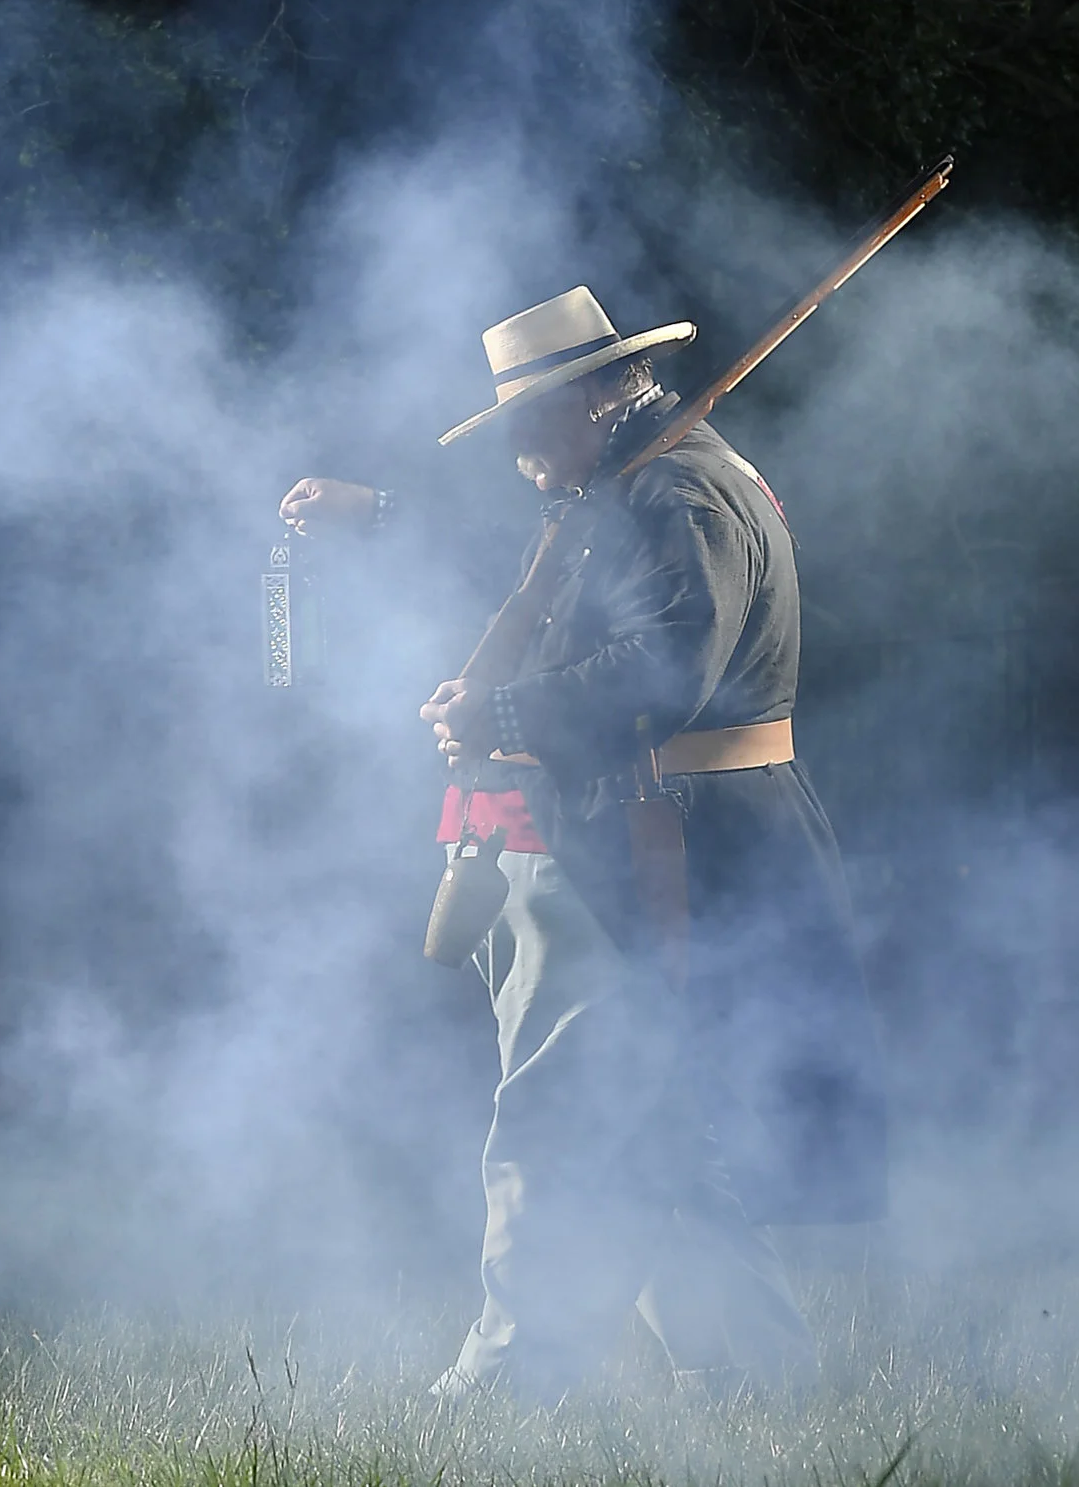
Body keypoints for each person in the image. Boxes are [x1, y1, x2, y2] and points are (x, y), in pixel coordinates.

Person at [280, 285, 886, 1405]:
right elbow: (532, 574)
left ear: (598, 397)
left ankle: (500, 1395)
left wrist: (498, 718)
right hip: (644, 838)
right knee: (654, 1130)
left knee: (555, 1126)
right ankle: (761, 1384)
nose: (512, 449)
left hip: (661, 851)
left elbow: (662, 671)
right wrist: (379, 514)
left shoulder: (678, 493)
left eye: (525, 421)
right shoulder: (631, 481)